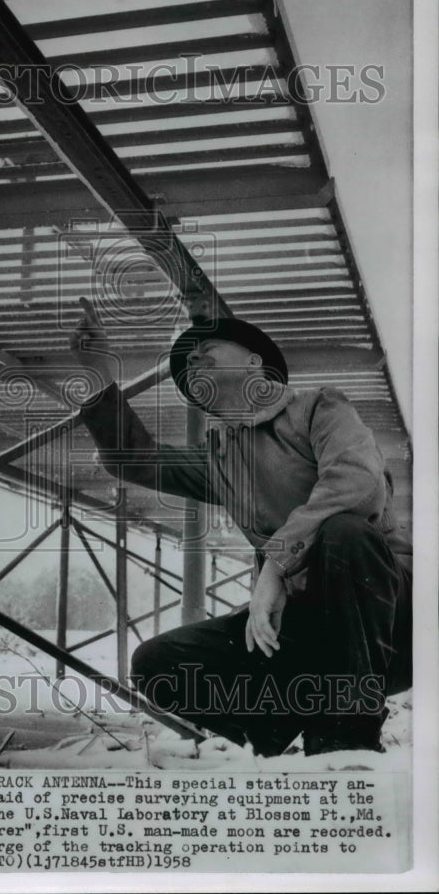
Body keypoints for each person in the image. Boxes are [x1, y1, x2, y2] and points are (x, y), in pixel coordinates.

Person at [70, 299, 412, 756]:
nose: (192, 358)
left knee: (343, 533)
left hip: (388, 622)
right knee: (157, 664)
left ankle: (346, 738)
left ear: (256, 362)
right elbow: (132, 459)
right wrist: (96, 374)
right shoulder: (221, 457)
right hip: (308, 634)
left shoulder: (319, 408)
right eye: (187, 362)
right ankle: (278, 730)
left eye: (207, 347)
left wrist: (274, 565)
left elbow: (357, 482)